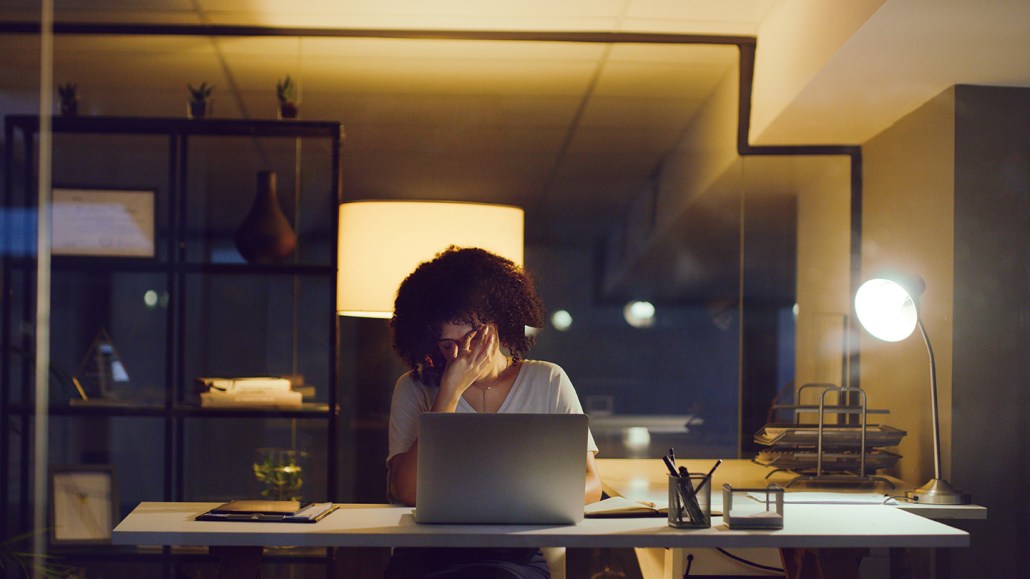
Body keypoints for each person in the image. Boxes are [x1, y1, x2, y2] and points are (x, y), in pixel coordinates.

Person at [383, 246, 602, 579]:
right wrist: (450, 392)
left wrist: (517, 506)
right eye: (446, 344)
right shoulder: (414, 388)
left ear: (499, 321)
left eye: (472, 336)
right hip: (427, 552)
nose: (462, 353)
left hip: (513, 554)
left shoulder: (547, 379)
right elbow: (406, 491)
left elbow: (590, 484)